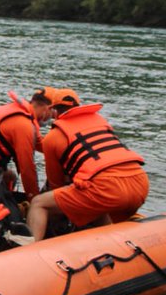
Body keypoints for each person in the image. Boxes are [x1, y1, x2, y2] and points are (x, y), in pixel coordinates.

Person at [24, 95, 149, 243]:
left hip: (107, 188)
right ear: (78, 107)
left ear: (54, 111)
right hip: (140, 183)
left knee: (39, 203)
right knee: (96, 204)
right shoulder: (100, 123)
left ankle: (28, 251)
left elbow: (56, 184)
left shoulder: (53, 137)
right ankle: (112, 243)